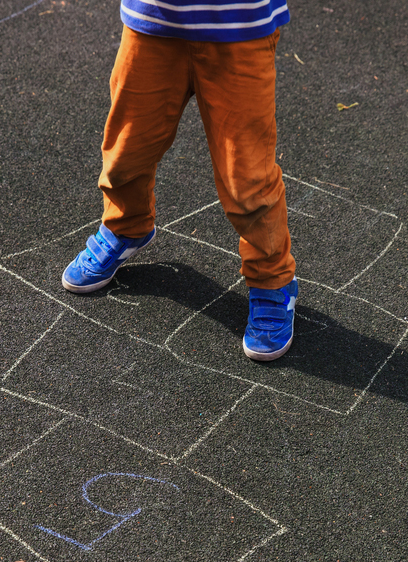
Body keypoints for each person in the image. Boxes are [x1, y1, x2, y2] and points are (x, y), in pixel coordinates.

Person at [60, 0, 297, 361]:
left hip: (238, 28)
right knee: (127, 149)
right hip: (153, 20)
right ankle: (128, 225)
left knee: (247, 179)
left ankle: (272, 278)